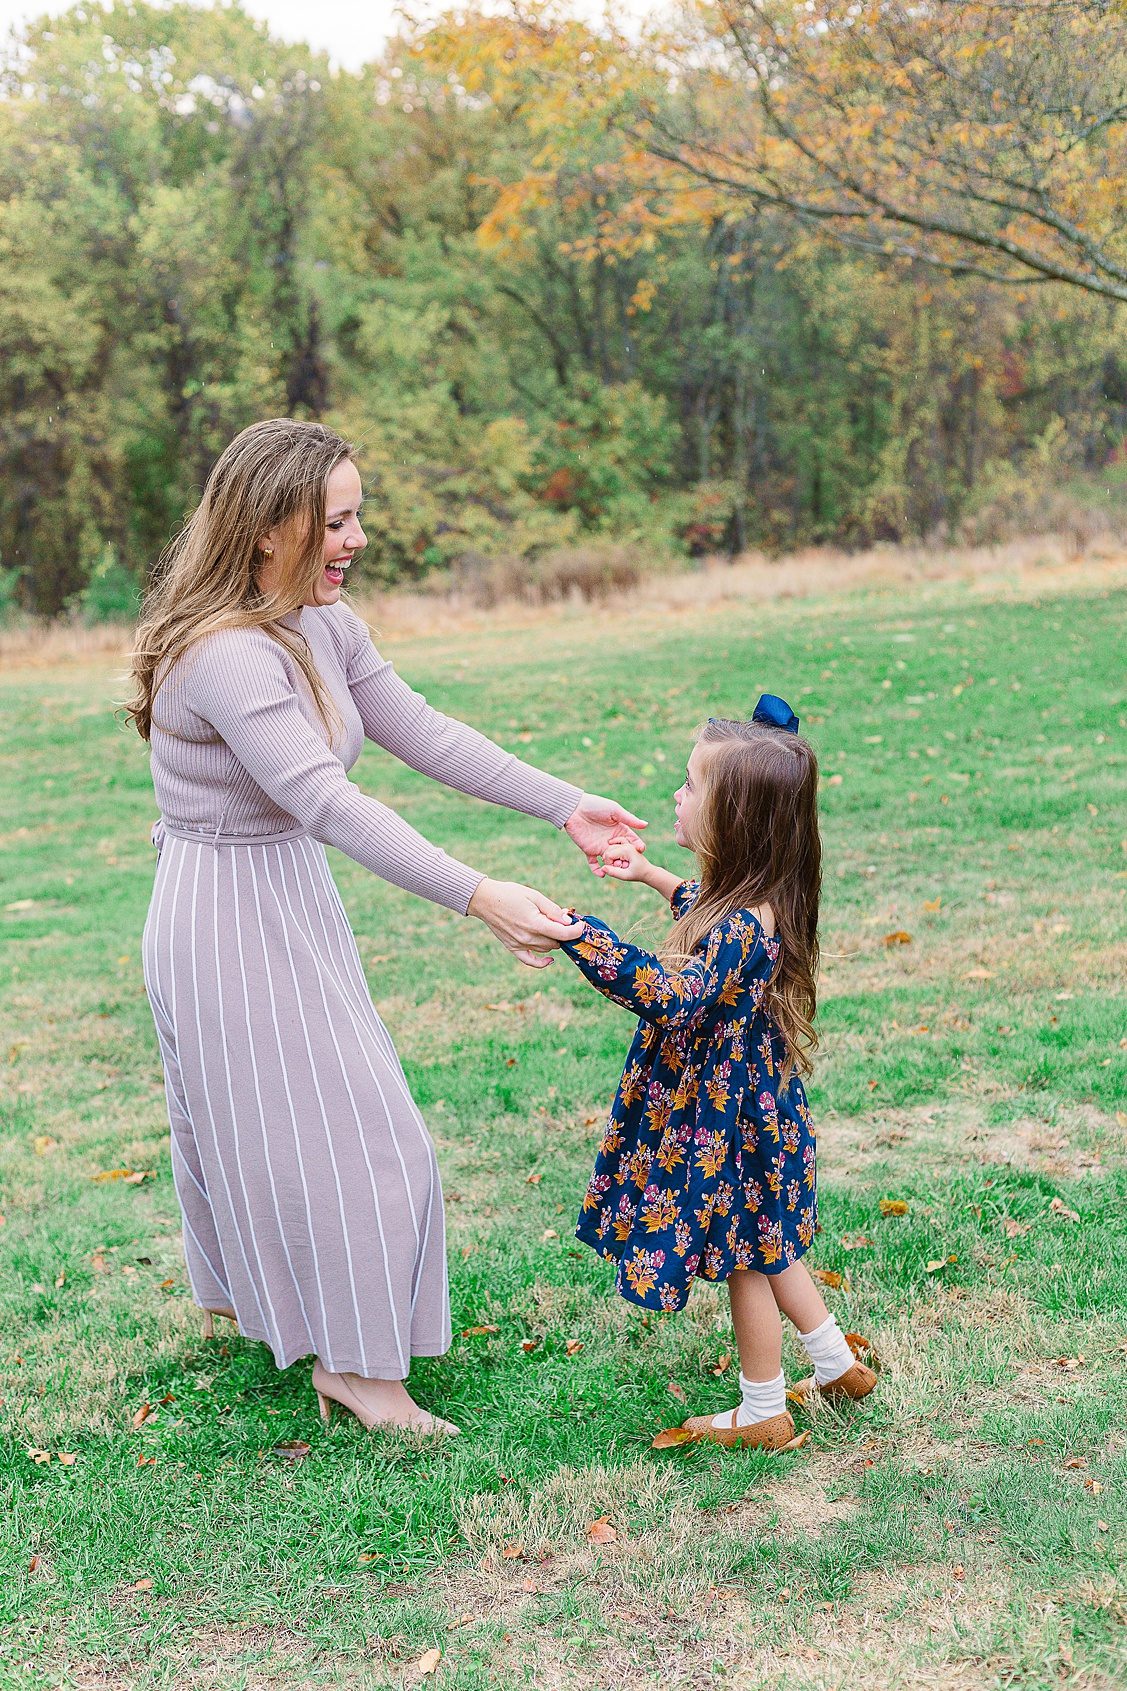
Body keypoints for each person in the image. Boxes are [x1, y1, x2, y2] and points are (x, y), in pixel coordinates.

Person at [127, 417, 646, 1436]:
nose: (355, 538)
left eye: (356, 515)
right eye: (337, 518)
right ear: (270, 526)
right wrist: (475, 890)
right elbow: (328, 801)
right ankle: (356, 1372)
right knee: (358, 1136)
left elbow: (423, 729)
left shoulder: (322, 623)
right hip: (222, 915)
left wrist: (562, 803)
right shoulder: (229, 654)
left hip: (284, 890)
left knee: (318, 1128)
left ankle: (313, 1327)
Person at [559, 699, 876, 1450]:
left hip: (723, 1124)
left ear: (734, 820)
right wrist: (646, 873)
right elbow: (699, 906)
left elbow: (674, 997)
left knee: (744, 1259)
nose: (677, 794)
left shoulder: (741, 925)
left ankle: (762, 1408)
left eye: (691, 785)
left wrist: (586, 940)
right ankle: (835, 1365)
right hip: (751, 1111)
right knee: (771, 1242)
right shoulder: (752, 903)